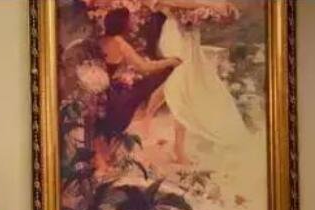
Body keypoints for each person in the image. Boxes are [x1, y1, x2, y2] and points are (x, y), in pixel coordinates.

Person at [141, 0, 248, 163]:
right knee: (182, 85)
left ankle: (149, 117)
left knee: (180, 84)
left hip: (190, 36)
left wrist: (213, 10)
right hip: (174, 35)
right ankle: (178, 148)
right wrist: (211, 5)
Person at [93, 7, 181, 170]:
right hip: (112, 95)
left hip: (99, 91)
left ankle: (105, 157)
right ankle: (105, 159)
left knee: (105, 123)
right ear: (123, 24)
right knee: (140, 89)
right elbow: (144, 67)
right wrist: (169, 62)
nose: (133, 22)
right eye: (130, 20)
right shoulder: (119, 42)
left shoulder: (101, 40)